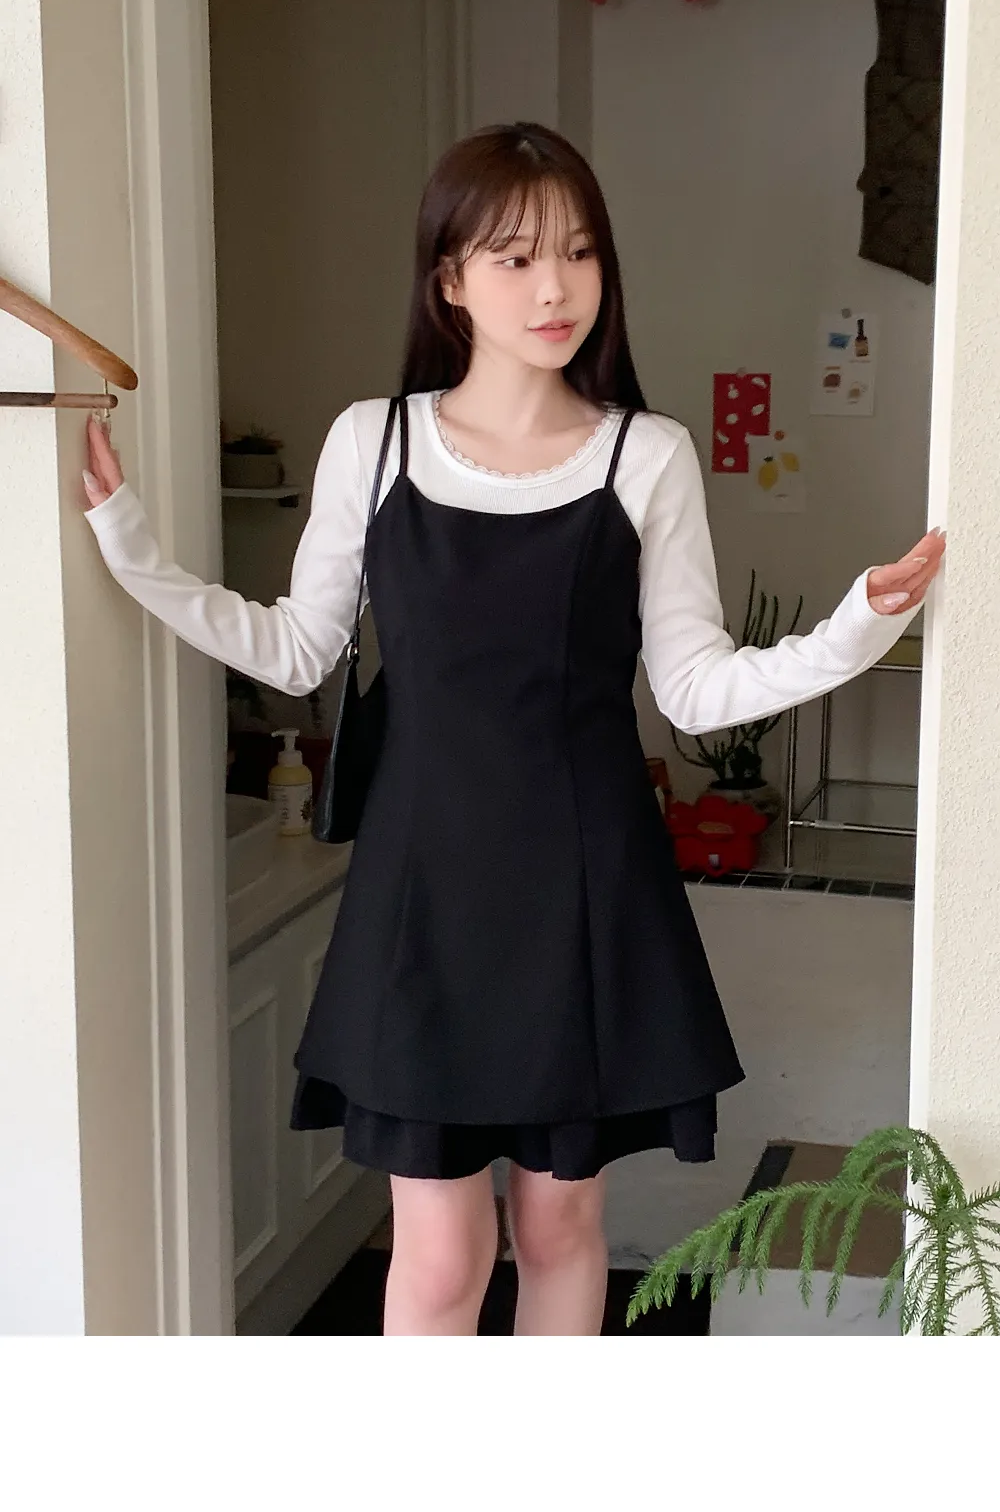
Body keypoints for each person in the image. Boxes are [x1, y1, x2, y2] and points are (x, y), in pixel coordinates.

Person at [81, 116, 945, 1340]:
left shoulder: (646, 453)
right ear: (449, 276)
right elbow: (297, 646)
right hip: (423, 888)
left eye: (579, 251)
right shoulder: (371, 438)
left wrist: (858, 622)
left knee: (557, 1227)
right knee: (441, 1253)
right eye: (517, 255)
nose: (555, 287)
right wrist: (134, 550)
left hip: (585, 885)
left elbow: (693, 686)